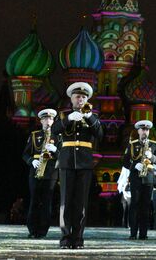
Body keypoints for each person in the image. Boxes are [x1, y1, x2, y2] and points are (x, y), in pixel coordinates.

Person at [52, 82, 103, 249]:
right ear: (71, 99)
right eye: (77, 96)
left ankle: (78, 239)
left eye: (83, 97)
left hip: (85, 163)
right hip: (67, 161)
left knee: (81, 204)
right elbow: (54, 130)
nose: (80, 99)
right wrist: (68, 119)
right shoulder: (63, 115)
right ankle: (66, 239)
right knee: (65, 202)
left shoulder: (92, 116)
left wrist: (89, 117)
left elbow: (100, 134)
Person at [122, 120, 156, 240]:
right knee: (134, 205)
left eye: (147, 130)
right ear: (138, 131)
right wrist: (134, 165)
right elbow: (124, 161)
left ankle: (143, 233)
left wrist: (152, 157)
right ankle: (133, 233)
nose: (145, 131)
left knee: (145, 206)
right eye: (143, 129)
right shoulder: (132, 144)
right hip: (135, 178)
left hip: (148, 178)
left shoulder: (154, 145)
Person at [22, 108, 58, 238]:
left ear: (53, 121)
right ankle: (32, 230)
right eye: (45, 118)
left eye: (50, 119)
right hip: (36, 170)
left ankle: (43, 230)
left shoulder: (57, 136)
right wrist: (31, 161)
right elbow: (25, 154)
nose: (48, 121)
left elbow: (63, 156)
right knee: (34, 200)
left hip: (51, 171)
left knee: (47, 201)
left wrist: (56, 150)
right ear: (41, 120)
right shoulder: (34, 135)